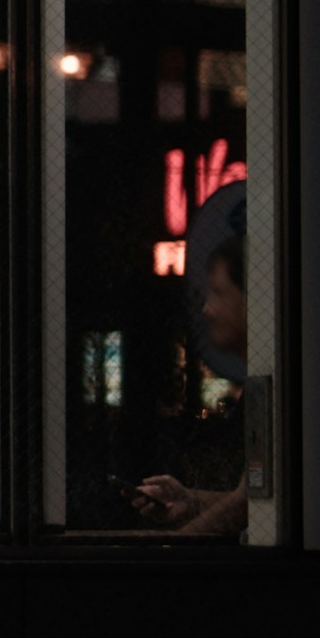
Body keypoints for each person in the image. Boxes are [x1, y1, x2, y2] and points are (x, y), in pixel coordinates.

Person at [132, 182, 251, 538]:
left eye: (217, 292)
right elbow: (258, 499)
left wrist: (171, 554)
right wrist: (190, 502)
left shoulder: (284, 388)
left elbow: (249, 503)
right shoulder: (263, 386)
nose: (206, 309)